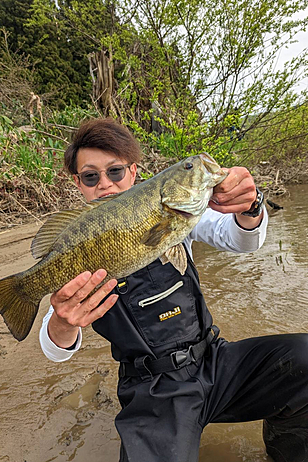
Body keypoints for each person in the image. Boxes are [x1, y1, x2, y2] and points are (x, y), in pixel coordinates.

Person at [39, 117, 308, 462]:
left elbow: (241, 240)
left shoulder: (175, 212)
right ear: (79, 183)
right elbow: (54, 348)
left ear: (134, 172)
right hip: (153, 391)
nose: (105, 184)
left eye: (115, 172)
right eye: (91, 177)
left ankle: (287, 451)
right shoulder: (81, 241)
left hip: (214, 362)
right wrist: (64, 323)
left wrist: (250, 207)